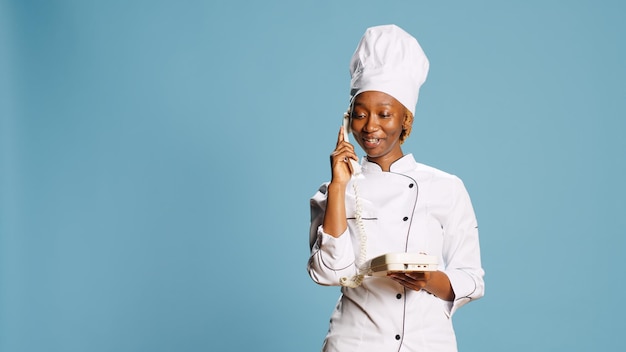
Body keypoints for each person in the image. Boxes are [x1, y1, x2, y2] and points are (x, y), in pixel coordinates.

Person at [307, 24, 485, 352]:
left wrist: (430, 279)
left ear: (406, 119)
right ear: (347, 122)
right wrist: (338, 187)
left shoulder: (447, 188)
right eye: (360, 115)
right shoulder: (333, 191)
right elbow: (329, 272)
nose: (370, 126)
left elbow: (472, 279)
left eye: (384, 114)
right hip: (354, 343)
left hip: (428, 343)